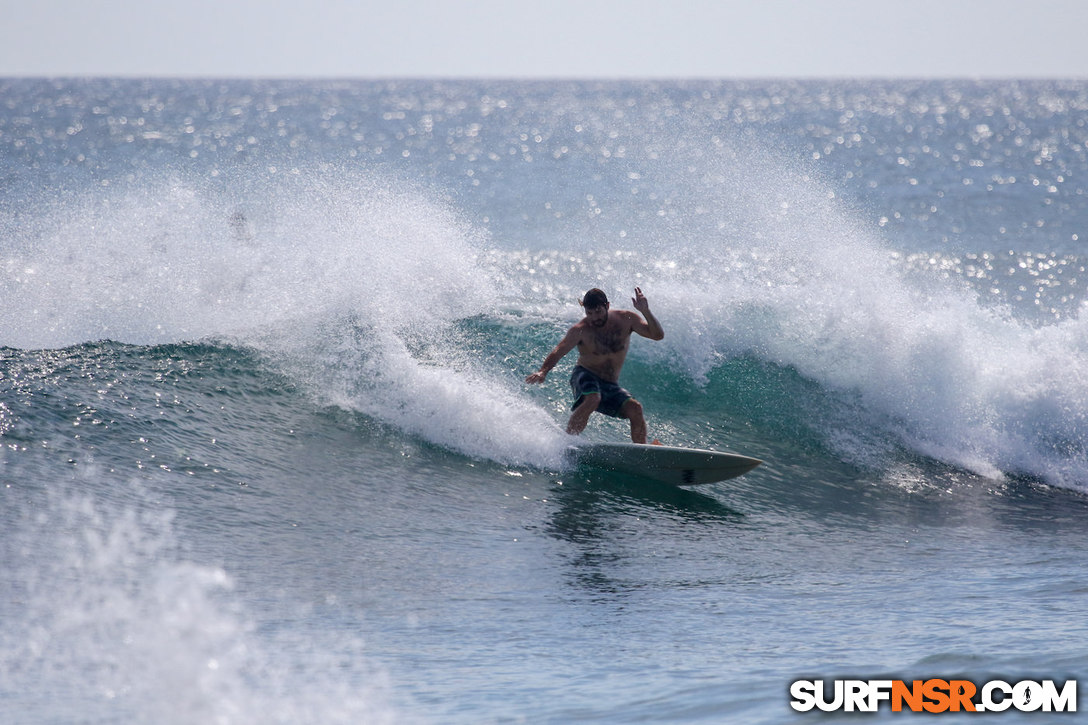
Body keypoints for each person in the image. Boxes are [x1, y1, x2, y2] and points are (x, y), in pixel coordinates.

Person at [526, 287, 664, 444]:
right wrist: (543, 371)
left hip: (610, 384)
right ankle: (567, 441)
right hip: (584, 374)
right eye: (589, 313)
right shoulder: (580, 330)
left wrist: (645, 311)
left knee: (635, 409)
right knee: (593, 398)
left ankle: (643, 452)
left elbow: (657, 335)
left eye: (598, 312)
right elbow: (559, 350)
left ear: (607, 306)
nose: (594, 318)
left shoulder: (627, 320)